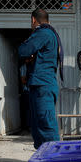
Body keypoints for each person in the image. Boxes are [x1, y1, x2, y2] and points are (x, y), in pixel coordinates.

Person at [18, 8, 64, 149]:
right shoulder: (50, 33)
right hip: (40, 84)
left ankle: (54, 158)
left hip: (43, 84)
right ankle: (42, 156)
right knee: (38, 123)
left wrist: (29, 52)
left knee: (46, 123)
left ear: (33, 20)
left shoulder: (43, 33)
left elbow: (23, 50)